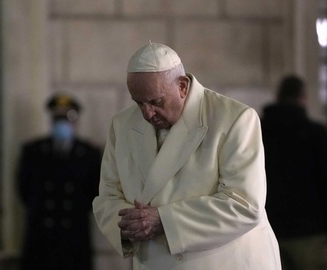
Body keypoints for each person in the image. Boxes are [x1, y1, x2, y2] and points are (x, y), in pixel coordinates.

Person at [92, 42, 281, 269]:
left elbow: (244, 204)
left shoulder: (234, 119)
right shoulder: (122, 125)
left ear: (182, 86)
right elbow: (107, 197)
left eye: (156, 102)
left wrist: (163, 221)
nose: (147, 113)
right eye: (138, 103)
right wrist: (128, 225)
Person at [261, 75, 327, 270]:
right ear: (303, 98)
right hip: (309, 233)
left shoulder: (260, 130)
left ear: (277, 96)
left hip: (269, 230)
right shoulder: (315, 134)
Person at [17, 93, 101, 270]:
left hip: (74, 237)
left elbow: (95, 192)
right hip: (41, 238)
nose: (62, 124)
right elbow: (23, 190)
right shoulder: (34, 151)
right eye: (57, 119)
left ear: (76, 122)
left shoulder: (88, 154)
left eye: (67, 119)